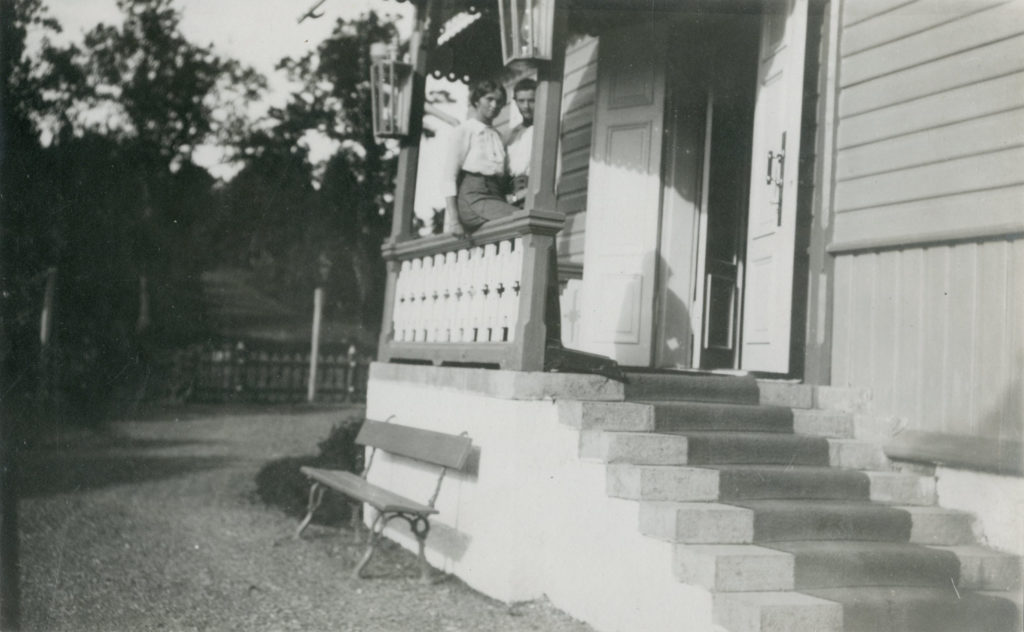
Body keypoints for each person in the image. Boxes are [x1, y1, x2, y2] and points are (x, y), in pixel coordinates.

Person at [442, 80, 519, 235]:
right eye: (489, 99)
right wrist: (454, 220)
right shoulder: (465, 130)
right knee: (520, 220)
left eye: (499, 101)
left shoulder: (497, 136)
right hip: (473, 197)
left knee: (521, 219)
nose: (494, 105)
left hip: (495, 195)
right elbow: (449, 177)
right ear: (477, 100)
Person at [505, 78, 536, 207]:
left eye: (531, 101)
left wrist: (514, 198)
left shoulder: (544, 129)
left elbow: (553, 178)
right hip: (512, 198)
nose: (526, 106)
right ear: (515, 102)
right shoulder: (513, 134)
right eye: (521, 101)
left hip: (531, 198)